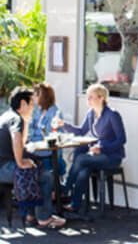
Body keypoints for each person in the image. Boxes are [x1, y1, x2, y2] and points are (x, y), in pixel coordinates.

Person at [0, 87, 65, 228]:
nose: (33, 107)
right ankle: (44, 218)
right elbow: (16, 138)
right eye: (31, 104)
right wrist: (21, 162)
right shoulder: (16, 119)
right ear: (23, 104)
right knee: (46, 176)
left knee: (35, 168)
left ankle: (31, 215)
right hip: (4, 168)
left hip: (3, 165)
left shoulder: (7, 116)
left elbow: (20, 143)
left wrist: (27, 122)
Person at [57, 83, 126, 212]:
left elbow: (122, 140)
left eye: (91, 97)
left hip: (112, 157)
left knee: (82, 159)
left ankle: (65, 189)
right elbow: (81, 131)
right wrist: (63, 125)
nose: (88, 99)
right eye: (87, 96)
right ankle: (75, 205)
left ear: (101, 98)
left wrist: (102, 148)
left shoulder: (112, 115)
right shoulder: (91, 114)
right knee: (83, 167)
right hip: (97, 155)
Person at [28, 83, 66, 175]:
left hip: (48, 150)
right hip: (36, 146)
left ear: (42, 96)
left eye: (35, 95)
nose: (32, 97)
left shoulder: (55, 113)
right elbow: (30, 128)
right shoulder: (37, 110)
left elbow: (48, 135)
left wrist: (34, 133)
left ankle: (52, 185)